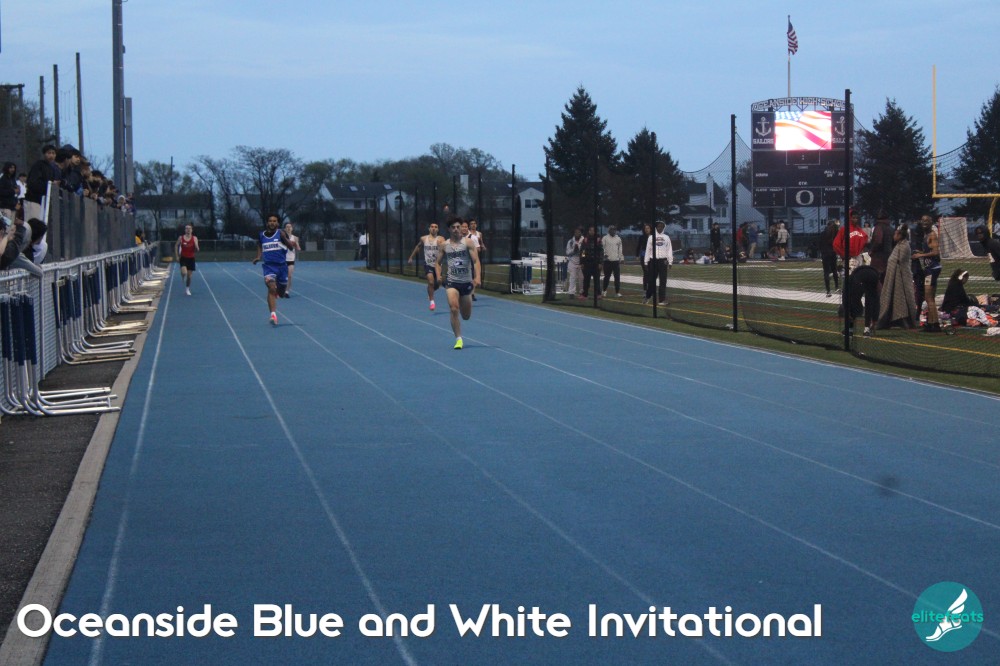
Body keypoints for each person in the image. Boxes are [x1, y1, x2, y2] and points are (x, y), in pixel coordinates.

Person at [435, 217, 480, 349]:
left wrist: (477, 277)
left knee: (466, 316)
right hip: (451, 282)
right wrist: (438, 276)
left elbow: (476, 261)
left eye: (458, 227)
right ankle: (458, 339)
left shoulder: (468, 243)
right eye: (453, 227)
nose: (456, 229)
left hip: (466, 282)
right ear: (449, 229)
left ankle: (463, 304)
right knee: (454, 308)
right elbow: (437, 263)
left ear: (461, 228)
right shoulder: (444, 245)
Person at [252, 214, 292, 326]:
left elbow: (291, 247)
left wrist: (284, 238)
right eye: (270, 221)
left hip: (282, 267)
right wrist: (258, 256)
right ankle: (273, 315)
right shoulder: (261, 235)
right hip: (269, 267)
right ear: (267, 223)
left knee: (281, 293)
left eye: (274, 221)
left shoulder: (281, 233)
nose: (272, 223)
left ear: (278, 223)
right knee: (271, 287)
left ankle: (277, 293)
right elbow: (259, 245)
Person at [876, 224, 918, 330]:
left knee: (902, 299)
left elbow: (900, 263)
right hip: (893, 278)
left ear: (900, 235)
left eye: (895, 234)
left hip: (901, 279)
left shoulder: (904, 246)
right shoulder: (899, 245)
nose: (893, 236)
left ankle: (904, 321)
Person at [911, 215, 942, 332]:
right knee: (930, 297)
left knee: (929, 297)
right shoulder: (926, 235)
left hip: (932, 268)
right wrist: (920, 252)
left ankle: (935, 324)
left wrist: (921, 255)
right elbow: (929, 250)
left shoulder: (932, 235)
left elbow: (935, 252)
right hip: (930, 268)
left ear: (931, 222)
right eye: (923, 221)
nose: (924, 223)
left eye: (927, 221)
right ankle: (932, 323)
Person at [407, 221, 442, 310]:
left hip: (438, 265)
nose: (433, 228)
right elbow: (418, 246)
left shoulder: (441, 239)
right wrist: (411, 257)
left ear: (438, 229)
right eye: (432, 226)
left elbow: (445, 248)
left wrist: (441, 246)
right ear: (429, 229)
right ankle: (432, 301)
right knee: (431, 282)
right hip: (428, 264)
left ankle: (431, 291)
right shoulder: (423, 238)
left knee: (438, 283)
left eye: (435, 227)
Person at [843, 256, 880, 337]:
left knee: (853, 304)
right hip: (873, 274)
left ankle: (850, 329)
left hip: (860, 278)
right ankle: (867, 329)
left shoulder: (849, 281)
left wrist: (849, 312)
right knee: (871, 303)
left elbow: (847, 302)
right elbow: (876, 302)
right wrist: (875, 320)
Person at [24, 145, 59, 222]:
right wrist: (49, 185)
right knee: (32, 224)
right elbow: (32, 183)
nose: (51, 155)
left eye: (53, 153)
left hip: (43, 202)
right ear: (44, 154)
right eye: (49, 153)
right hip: (33, 200)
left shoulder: (51, 168)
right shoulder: (38, 165)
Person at [643, 220, 672, 305]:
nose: (660, 228)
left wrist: (670, 262)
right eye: (658, 226)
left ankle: (661, 300)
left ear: (664, 228)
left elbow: (669, 250)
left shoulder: (666, 237)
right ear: (656, 227)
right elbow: (648, 250)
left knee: (663, 281)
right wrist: (646, 262)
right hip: (653, 261)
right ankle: (648, 296)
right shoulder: (651, 237)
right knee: (651, 281)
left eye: (662, 227)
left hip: (663, 261)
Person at [868, 211, 894, 281]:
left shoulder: (879, 227)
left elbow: (878, 240)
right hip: (889, 257)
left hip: (878, 258)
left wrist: (872, 250)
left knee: (876, 278)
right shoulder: (891, 229)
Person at [175, 224, 200, 296]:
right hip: (183, 258)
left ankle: (187, 289)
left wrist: (196, 246)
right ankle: (183, 275)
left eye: (189, 228)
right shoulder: (181, 238)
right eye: (186, 228)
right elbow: (176, 245)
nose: (188, 230)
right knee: (184, 272)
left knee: (189, 276)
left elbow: (197, 249)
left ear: (192, 230)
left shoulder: (194, 238)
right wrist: (177, 256)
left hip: (191, 258)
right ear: (185, 230)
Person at [819, 219, 841, 297]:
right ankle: (836, 287)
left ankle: (828, 291)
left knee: (826, 272)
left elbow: (819, 244)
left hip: (825, 254)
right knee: (834, 270)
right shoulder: (835, 234)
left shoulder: (822, 233)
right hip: (832, 253)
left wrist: (822, 251)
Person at [601, 225, 624, 297]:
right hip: (607, 261)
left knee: (617, 277)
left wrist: (621, 258)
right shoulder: (605, 238)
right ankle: (604, 291)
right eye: (612, 230)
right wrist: (604, 254)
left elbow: (620, 249)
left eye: (614, 230)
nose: (613, 231)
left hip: (616, 261)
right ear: (609, 230)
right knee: (607, 277)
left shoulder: (618, 239)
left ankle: (617, 292)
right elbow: (602, 247)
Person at [580, 225, 602, 298]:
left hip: (596, 263)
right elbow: (583, 251)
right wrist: (582, 262)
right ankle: (584, 294)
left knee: (597, 280)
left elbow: (601, 252)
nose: (592, 232)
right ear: (589, 231)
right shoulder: (585, 240)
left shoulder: (598, 240)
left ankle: (598, 294)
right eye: (591, 230)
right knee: (586, 280)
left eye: (593, 230)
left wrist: (600, 263)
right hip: (587, 263)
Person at [466, 218, 485, 301]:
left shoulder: (479, 234)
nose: (473, 225)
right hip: (467, 257)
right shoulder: (467, 233)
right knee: (468, 275)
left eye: (474, 223)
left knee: (475, 275)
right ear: (469, 226)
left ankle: (472, 293)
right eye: (471, 224)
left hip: (475, 256)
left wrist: (482, 246)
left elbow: (481, 243)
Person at [283, 222, 301, 296]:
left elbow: (298, 249)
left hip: (291, 259)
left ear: (292, 228)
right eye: (287, 227)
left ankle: (287, 292)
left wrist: (295, 244)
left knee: (289, 276)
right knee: (281, 276)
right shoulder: (282, 237)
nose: (288, 228)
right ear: (285, 229)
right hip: (282, 259)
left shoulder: (295, 238)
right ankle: (280, 289)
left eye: (290, 227)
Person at [565, 227, 584, 299]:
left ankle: (582, 292)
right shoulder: (570, 241)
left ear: (581, 233)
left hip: (581, 262)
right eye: (576, 232)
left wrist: (581, 252)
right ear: (574, 233)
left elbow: (585, 252)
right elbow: (567, 252)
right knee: (572, 278)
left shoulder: (584, 241)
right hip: (572, 262)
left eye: (579, 232)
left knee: (582, 278)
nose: (577, 233)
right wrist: (573, 251)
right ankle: (571, 293)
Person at [637, 223, 653, 291]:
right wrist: (637, 255)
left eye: (648, 228)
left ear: (650, 229)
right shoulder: (641, 237)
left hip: (651, 257)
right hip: (643, 256)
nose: (646, 229)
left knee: (651, 273)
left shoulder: (653, 237)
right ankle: (645, 289)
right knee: (646, 272)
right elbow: (638, 246)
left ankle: (650, 288)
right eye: (645, 228)